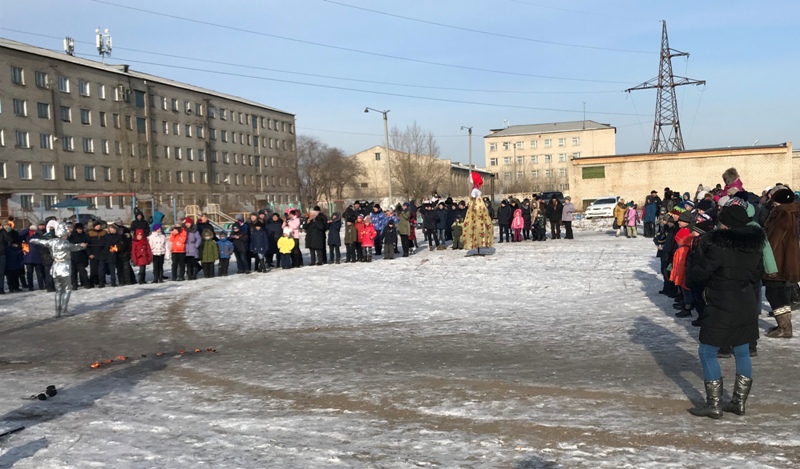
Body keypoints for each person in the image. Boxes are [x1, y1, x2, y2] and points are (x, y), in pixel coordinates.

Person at [687, 204, 764, 418]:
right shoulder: (754, 245)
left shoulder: (719, 245)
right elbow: (757, 275)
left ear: (727, 223)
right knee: (741, 349)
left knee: (707, 351)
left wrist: (695, 260)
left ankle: (714, 405)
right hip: (746, 300)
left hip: (722, 302)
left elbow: (698, 275)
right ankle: (738, 402)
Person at [762, 188, 799, 338]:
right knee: (780, 292)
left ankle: (784, 327)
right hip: (785, 259)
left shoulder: (783, 214)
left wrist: (766, 256)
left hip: (777, 260)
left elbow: (773, 240)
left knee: (773, 292)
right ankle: (784, 326)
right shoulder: (790, 212)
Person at [28, 222, 87, 317]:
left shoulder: (52, 241)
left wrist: (33, 240)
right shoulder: (65, 243)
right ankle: (64, 310)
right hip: (64, 267)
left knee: (58, 290)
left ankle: (57, 311)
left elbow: (42, 242)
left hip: (55, 267)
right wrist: (81, 245)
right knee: (67, 289)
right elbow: (74, 247)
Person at [67, 223, 91, 289]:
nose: (80, 230)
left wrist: (86, 244)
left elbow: (88, 241)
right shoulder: (72, 235)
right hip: (73, 256)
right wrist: (80, 244)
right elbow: (70, 243)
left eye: (81, 229)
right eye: (78, 229)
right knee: (73, 272)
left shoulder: (84, 235)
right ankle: (74, 285)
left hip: (82, 256)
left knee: (83, 271)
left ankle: (86, 284)